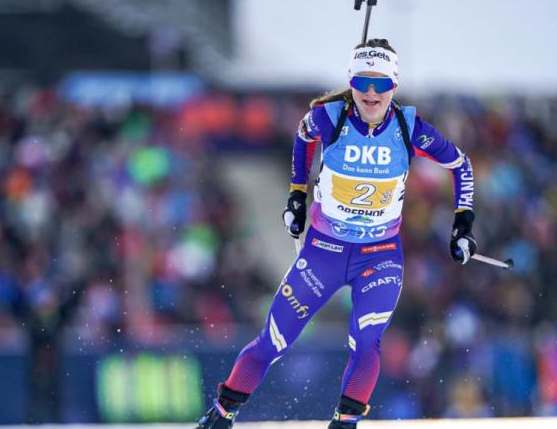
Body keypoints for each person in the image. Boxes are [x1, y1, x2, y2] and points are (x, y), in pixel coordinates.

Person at [194, 38, 477, 429]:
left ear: (394, 83)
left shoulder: (408, 127)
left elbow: (461, 165)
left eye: (381, 83)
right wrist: (296, 195)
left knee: (365, 344)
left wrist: (463, 222)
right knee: (273, 342)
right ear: (352, 80)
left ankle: (345, 423)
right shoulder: (331, 117)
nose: (372, 92)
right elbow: (302, 137)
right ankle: (220, 415)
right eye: (363, 81)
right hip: (324, 253)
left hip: (378, 256)